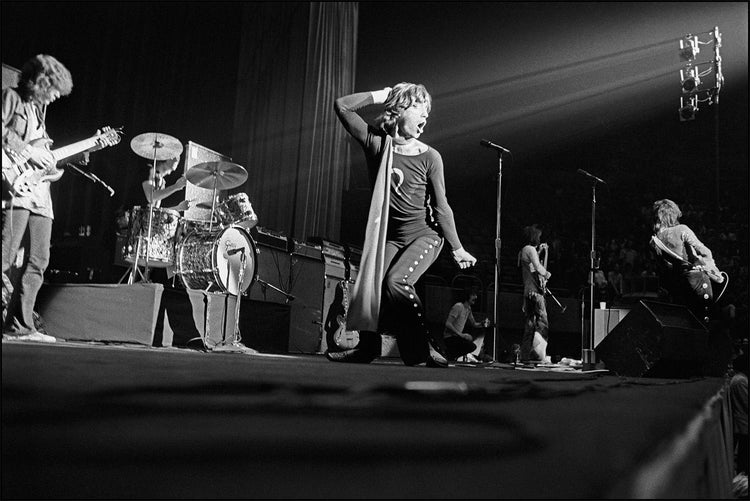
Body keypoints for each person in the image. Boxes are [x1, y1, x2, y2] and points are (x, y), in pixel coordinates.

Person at [329, 83, 478, 367]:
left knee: (397, 280)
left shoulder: (430, 156)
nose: (426, 117)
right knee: (370, 285)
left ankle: (423, 347)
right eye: (421, 108)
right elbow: (342, 106)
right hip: (391, 237)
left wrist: (457, 247)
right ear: (400, 109)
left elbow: (442, 207)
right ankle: (367, 348)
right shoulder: (377, 144)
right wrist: (383, 95)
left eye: (428, 112)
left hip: (425, 236)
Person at [2, 55, 74, 343]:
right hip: (15, 191)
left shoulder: (40, 112)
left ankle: (19, 327)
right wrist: (28, 151)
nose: (57, 96)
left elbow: (44, 158)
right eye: (55, 89)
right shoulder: (11, 98)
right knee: (6, 256)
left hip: (41, 196)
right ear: (42, 82)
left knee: (38, 261)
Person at [649, 199, 717, 324]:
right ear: (672, 215)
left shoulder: (654, 241)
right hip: (697, 279)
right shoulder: (681, 229)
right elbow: (704, 250)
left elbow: (664, 268)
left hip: (677, 283)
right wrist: (711, 266)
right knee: (704, 319)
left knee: (687, 322)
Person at [517, 224, 551, 363]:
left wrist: (544, 253)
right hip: (535, 293)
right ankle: (538, 354)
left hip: (529, 291)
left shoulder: (524, 251)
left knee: (530, 325)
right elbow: (539, 268)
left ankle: (527, 355)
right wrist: (548, 274)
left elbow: (533, 269)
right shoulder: (530, 249)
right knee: (543, 323)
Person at [443, 290, 490, 362]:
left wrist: (482, 324)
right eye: (473, 295)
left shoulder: (468, 309)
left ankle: (452, 355)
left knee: (471, 344)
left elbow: (474, 324)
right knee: (470, 346)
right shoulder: (458, 306)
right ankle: (450, 354)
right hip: (450, 337)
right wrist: (461, 335)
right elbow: (448, 324)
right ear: (468, 297)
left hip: (457, 336)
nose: (475, 297)